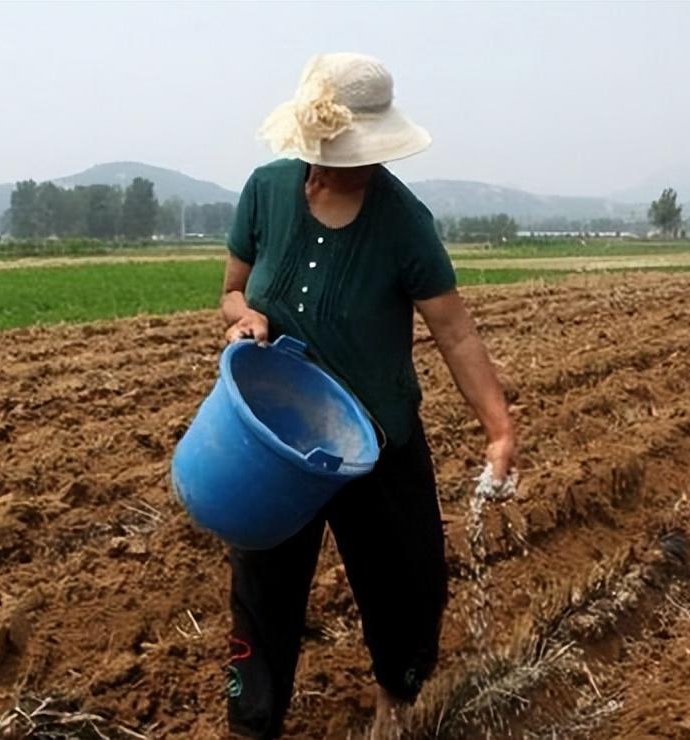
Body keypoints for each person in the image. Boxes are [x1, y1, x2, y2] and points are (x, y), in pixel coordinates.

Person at [218, 53, 516, 739]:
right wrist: (244, 316)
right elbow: (231, 289)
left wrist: (499, 428)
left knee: (408, 584)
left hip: (377, 439)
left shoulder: (403, 221)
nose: (336, 167)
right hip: (277, 439)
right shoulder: (266, 191)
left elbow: (454, 331)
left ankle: (395, 704)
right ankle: (253, 725)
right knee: (263, 590)